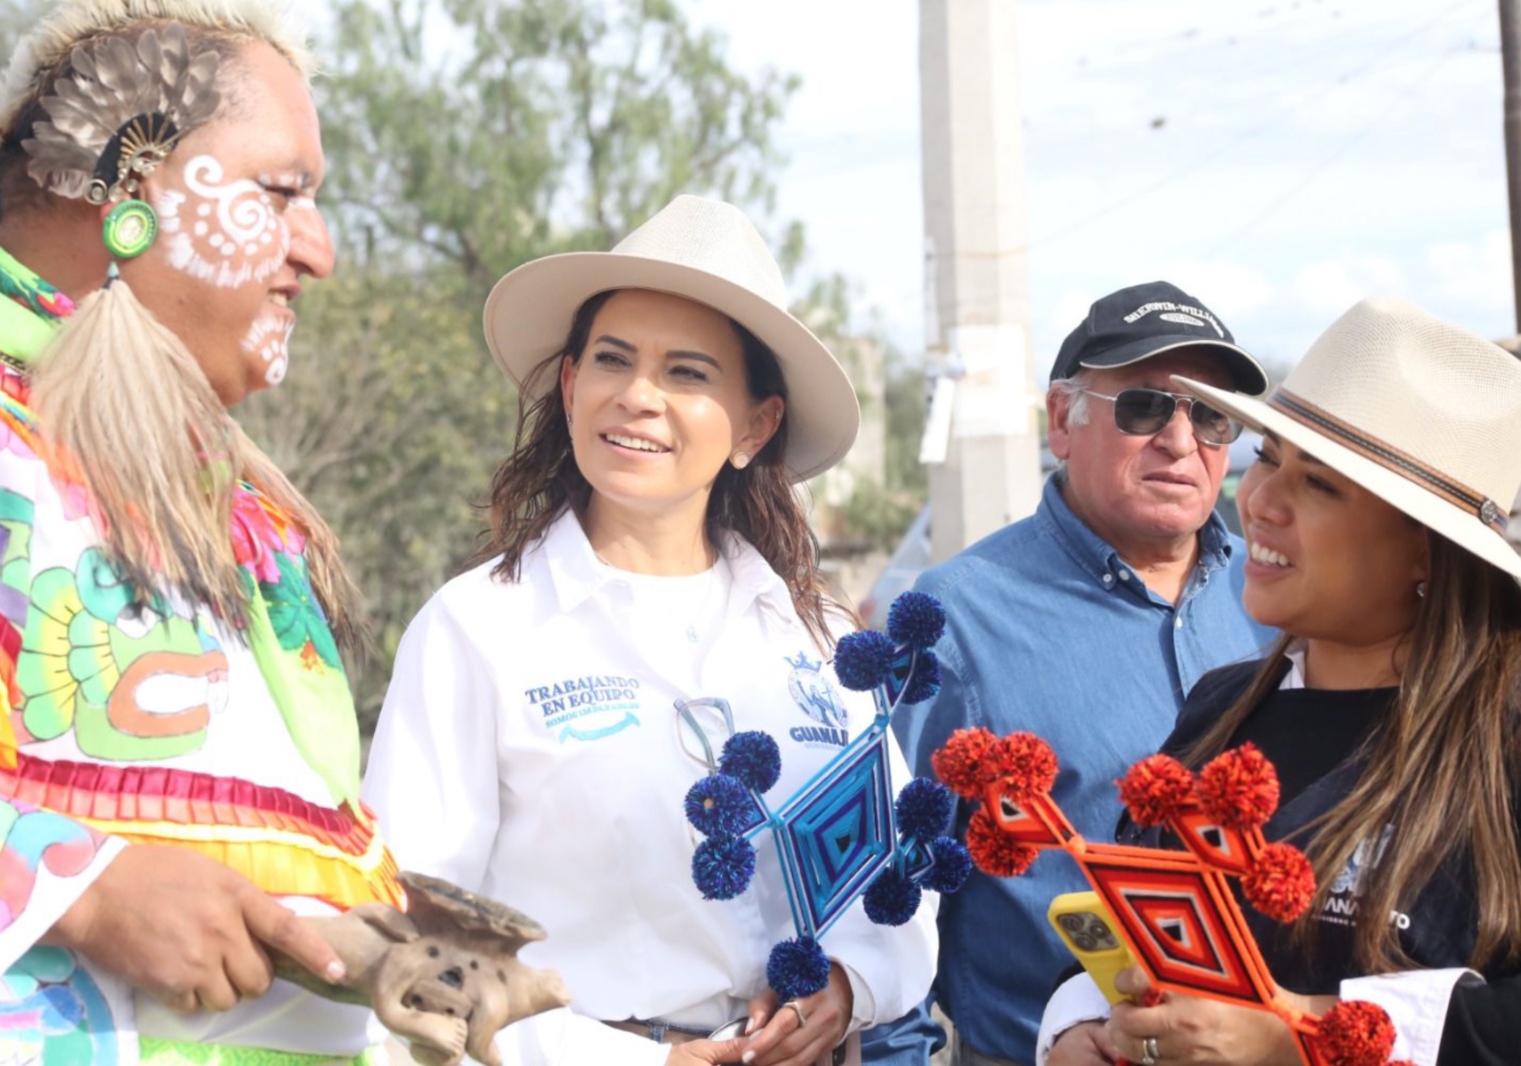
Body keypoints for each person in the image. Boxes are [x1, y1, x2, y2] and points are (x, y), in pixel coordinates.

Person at [0, 2, 402, 1062]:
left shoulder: (228, 509)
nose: (317, 250)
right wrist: (83, 891)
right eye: (282, 193)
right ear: (135, 190)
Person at [362, 194, 937, 1066]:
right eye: (612, 360)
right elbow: (412, 942)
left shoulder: (815, 637)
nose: (637, 397)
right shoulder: (477, 628)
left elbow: (903, 882)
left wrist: (847, 987)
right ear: (569, 384)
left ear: (756, 426)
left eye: (688, 374)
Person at [1041, 297, 1521, 1066]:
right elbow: (1136, 922)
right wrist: (1078, 1029)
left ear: (1428, 553)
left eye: (1321, 485)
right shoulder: (1221, 707)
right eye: (1267, 457)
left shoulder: (1502, 738)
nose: (1259, 501)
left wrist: (1301, 1036)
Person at [870, 282, 1274, 1066]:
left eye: (1213, 414)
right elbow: (887, 890)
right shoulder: (953, 616)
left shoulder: (1270, 598)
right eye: (1147, 407)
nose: (1181, 441)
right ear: (1063, 420)